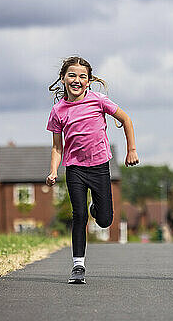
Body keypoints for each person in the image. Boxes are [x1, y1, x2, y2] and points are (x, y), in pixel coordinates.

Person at [45, 56, 139, 284]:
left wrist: (131, 150)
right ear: (63, 78)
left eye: (82, 76)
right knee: (79, 216)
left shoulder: (98, 101)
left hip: (99, 167)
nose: (77, 80)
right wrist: (53, 171)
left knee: (105, 220)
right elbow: (58, 147)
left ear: (89, 81)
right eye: (72, 75)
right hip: (75, 169)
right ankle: (78, 266)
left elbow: (125, 119)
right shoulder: (58, 111)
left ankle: (95, 207)